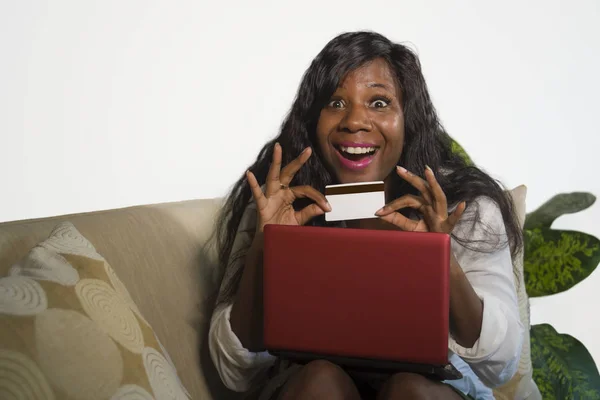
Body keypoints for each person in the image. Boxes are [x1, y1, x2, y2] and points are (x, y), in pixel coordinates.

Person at [208, 31, 524, 400]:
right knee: (320, 382)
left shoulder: (463, 208)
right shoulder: (276, 203)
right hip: (311, 383)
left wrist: (442, 260)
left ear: (409, 119)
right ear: (313, 120)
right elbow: (232, 372)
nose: (355, 121)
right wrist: (268, 246)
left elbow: (502, 364)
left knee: (409, 391)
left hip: (431, 388)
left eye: (379, 102)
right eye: (336, 103)